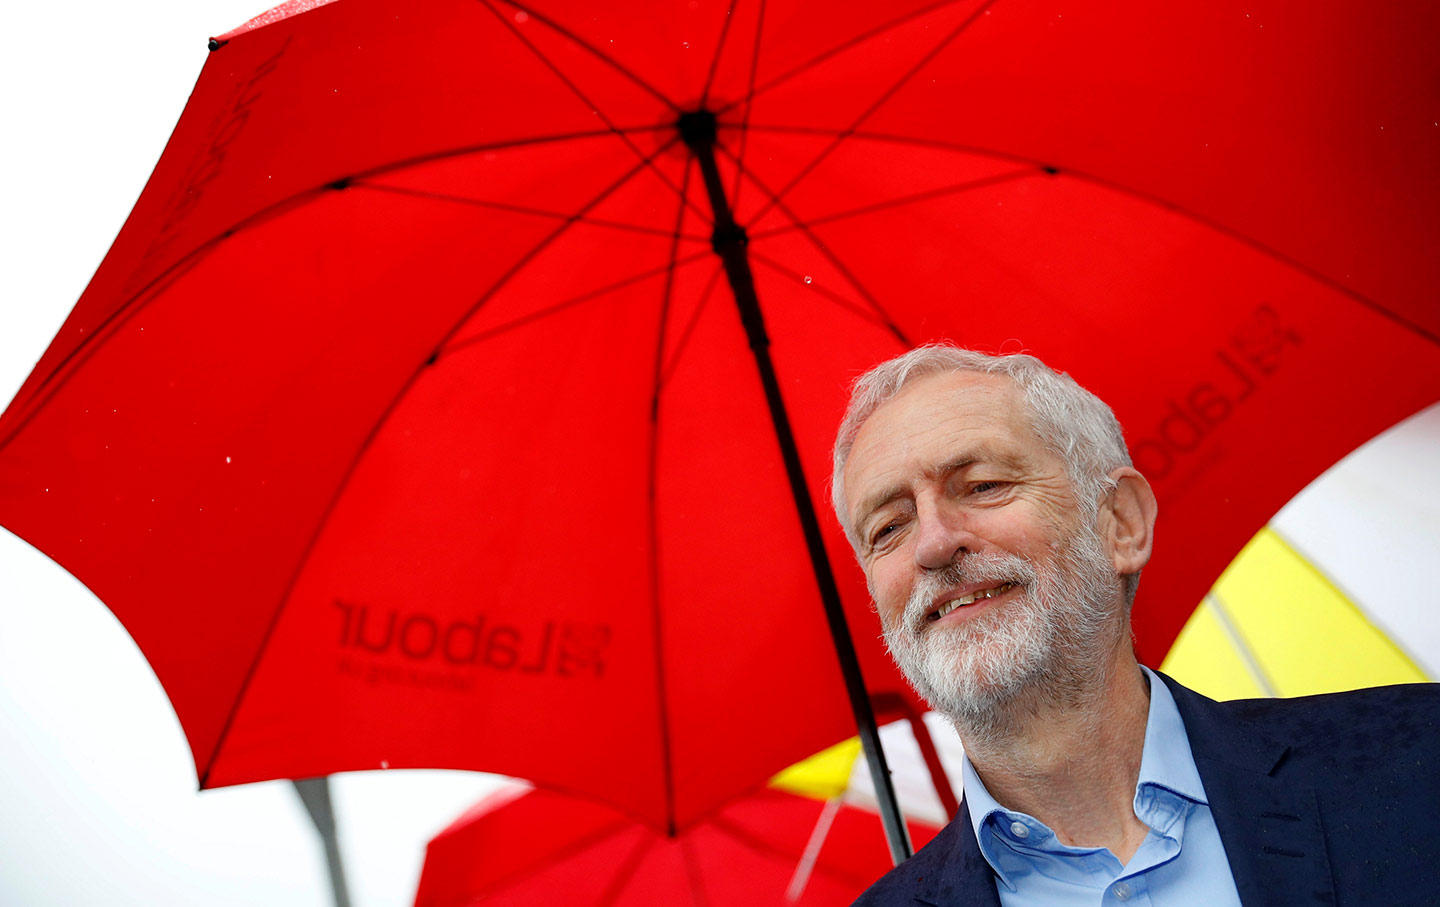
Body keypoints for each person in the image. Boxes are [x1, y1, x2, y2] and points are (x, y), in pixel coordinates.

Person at [831, 344, 1440, 906]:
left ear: (1121, 523)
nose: (933, 544)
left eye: (984, 485)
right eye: (888, 528)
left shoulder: (1416, 763)